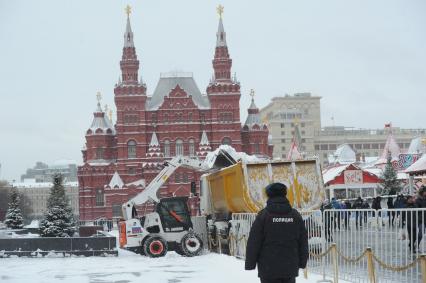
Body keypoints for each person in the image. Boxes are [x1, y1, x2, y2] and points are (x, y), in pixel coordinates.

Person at [245, 182, 308, 283]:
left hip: (268, 268)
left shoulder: (263, 216)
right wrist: (302, 262)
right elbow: (303, 241)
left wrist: (250, 263)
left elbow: (254, 241)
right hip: (289, 267)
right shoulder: (295, 216)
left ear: (269, 195)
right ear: (284, 194)